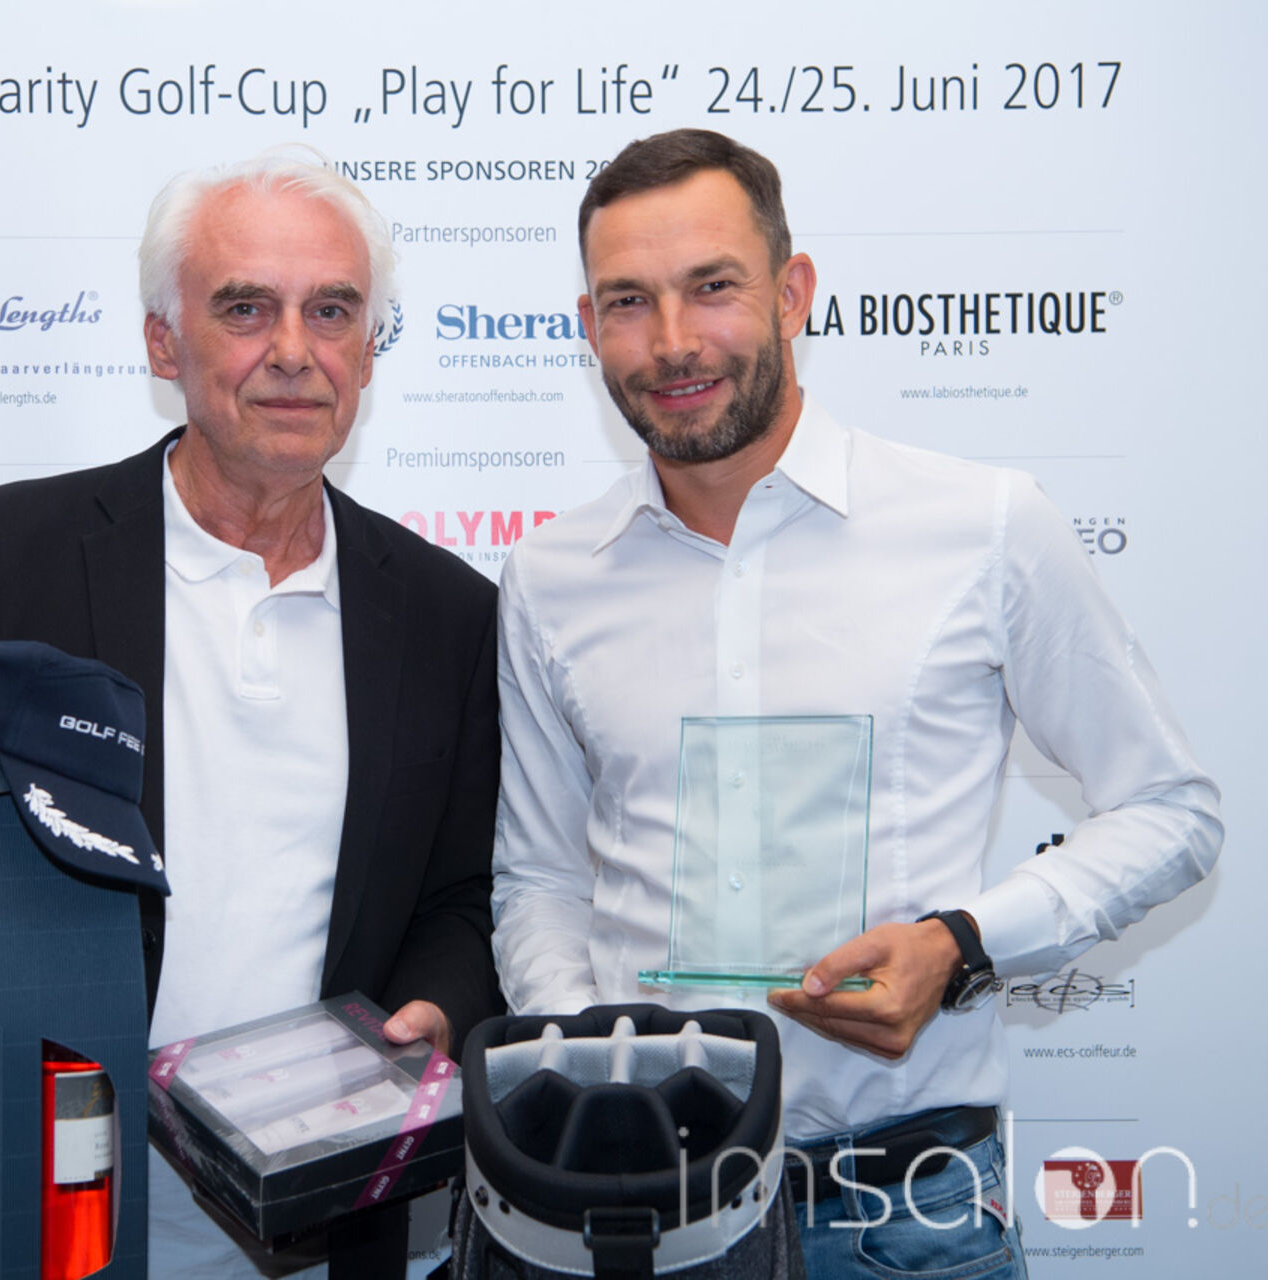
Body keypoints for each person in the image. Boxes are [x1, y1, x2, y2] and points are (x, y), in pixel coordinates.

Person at [490, 128, 1222, 1279]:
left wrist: (962, 944)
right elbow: (539, 879)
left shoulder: (984, 526)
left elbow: (1172, 808)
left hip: (909, 1210)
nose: (672, 340)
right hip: (639, 1211)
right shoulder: (549, 577)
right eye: (629, 300)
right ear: (589, 325)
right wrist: (589, 1052)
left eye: (712, 286)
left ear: (793, 292)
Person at [0, 149, 501, 1279]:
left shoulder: (450, 612)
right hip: (45, 1209)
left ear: (369, 349)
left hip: (334, 1221)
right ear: (165, 343)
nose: (294, 351)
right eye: (246, 309)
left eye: (332, 311)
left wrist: (435, 1010)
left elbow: (465, 894)